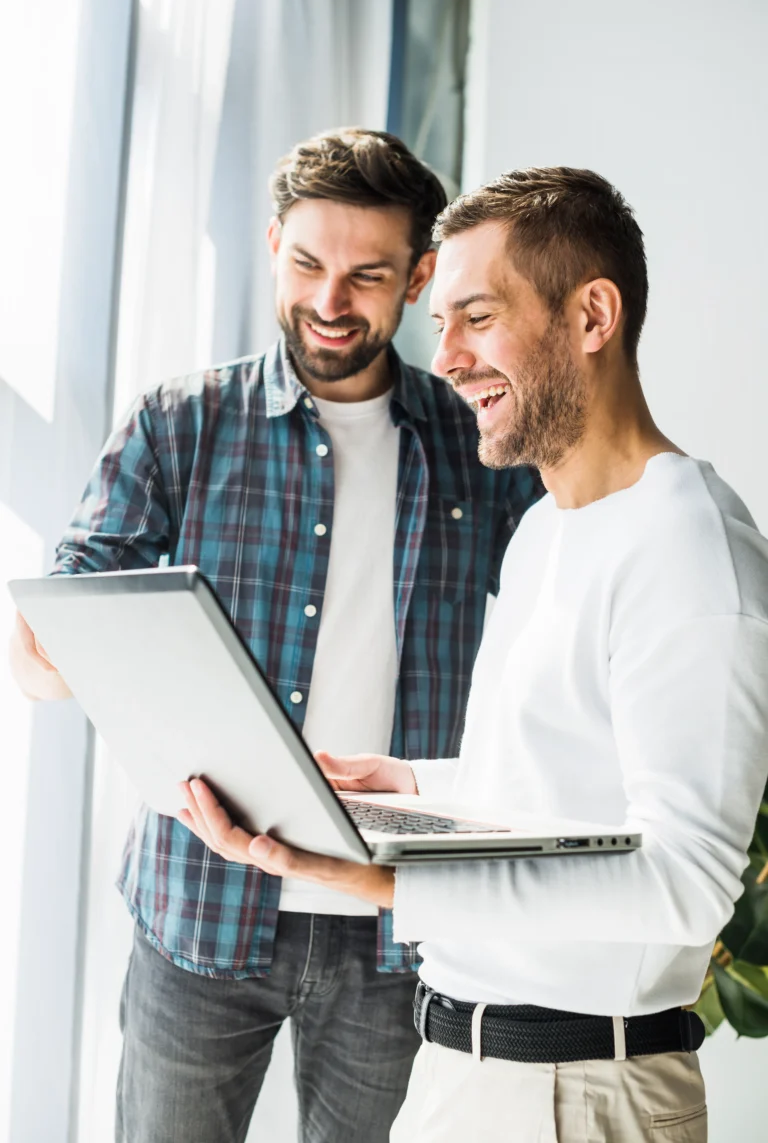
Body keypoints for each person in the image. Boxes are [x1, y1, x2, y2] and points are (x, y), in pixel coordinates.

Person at [177, 166, 768, 1142]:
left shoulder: (691, 546)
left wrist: (389, 880)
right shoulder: (546, 528)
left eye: (477, 317)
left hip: (579, 1095)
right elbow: (566, 783)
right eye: (439, 320)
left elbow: (686, 881)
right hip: (464, 1072)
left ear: (592, 315)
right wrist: (409, 781)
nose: (442, 357)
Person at [8, 129, 542, 1143]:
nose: (330, 300)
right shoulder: (180, 422)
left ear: (420, 275)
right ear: (270, 246)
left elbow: (563, 625)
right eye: (306, 264)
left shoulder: (480, 448)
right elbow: (52, 630)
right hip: (200, 908)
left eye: (367, 275)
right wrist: (54, 650)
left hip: (396, 935)